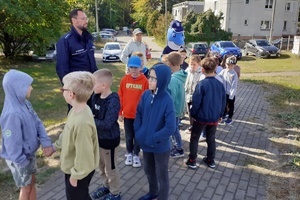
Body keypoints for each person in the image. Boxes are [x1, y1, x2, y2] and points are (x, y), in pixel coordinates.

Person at [0, 69, 54, 200]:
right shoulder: (12, 114)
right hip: (19, 160)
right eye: (28, 85)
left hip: (28, 155)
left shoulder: (25, 104)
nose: (32, 88)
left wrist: (45, 141)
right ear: (18, 88)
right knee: (26, 188)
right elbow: (11, 144)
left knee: (32, 182)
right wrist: (22, 162)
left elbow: (38, 122)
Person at [54, 71, 99, 200]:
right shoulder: (75, 110)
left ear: (71, 94)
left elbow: (84, 153)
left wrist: (76, 175)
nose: (62, 91)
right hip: (73, 168)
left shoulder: (82, 123)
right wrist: (57, 145)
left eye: (63, 88)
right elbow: (67, 132)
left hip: (79, 171)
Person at [134, 63, 176, 200]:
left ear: (162, 80)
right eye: (149, 77)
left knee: (162, 174)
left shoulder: (167, 100)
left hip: (160, 146)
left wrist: (154, 137)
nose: (149, 81)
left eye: (154, 78)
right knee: (148, 170)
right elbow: (139, 113)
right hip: (145, 143)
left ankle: (162, 197)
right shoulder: (146, 95)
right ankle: (153, 192)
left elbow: (171, 127)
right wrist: (139, 131)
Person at [186, 58, 226, 169]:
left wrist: (193, 114)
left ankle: (192, 160)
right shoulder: (220, 84)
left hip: (201, 117)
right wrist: (220, 115)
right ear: (215, 69)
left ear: (202, 70)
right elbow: (223, 101)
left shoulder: (201, 84)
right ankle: (210, 160)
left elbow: (196, 101)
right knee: (211, 138)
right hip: (214, 117)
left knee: (194, 138)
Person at [90, 69, 121, 200]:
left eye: (93, 83)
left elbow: (107, 124)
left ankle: (115, 193)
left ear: (104, 85)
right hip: (98, 140)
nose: (91, 86)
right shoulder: (95, 96)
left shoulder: (113, 100)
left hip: (109, 141)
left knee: (110, 169)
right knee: (101, 167)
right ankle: (106, 186)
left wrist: (91, 120)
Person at [118, 56, 149, 168]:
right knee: (129, 135)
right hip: (127, 114)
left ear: (140, 67)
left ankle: (136, 154)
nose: (134, 70)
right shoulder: (124, 80)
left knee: (138, 136)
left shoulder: (145, 81)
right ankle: (129, 153)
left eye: (136, 68)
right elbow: (120, 96)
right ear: (128, 68)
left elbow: (147, 98)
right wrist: (120, 112)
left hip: (139, 116)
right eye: (131, 67)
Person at [56, 9, 98, 82]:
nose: (86, 21)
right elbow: (62, 68)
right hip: (77, 86)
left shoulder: (88, 39)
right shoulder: (65, 41)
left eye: (86, 18)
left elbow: (93, 63)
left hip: (91, 85)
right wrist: (69, 87)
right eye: (83, 19)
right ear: (74, 21)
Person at [167, 52, 187, 158]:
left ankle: (178, 148)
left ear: (170, 63)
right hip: (178, 107)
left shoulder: (173, 80)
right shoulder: (180, 74)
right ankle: (177, 146)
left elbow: (171, 97)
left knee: (173, 130)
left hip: (173, 109)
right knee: (174, 129)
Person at [218, 56, 239, 125]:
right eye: (228, 65)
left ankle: (230, 118)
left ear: (234, 65)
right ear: (225, 64)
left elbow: (234, 86)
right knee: (223, 105)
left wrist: (231, 96)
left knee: (230, 106)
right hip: (224, 93)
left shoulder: (234, 74)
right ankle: (223, 115)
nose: (229, 66)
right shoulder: (224, 71)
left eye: (231, 65)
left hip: (230, 94)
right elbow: (218, 76)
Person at [184, 55, 202, 133]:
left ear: (199, 64)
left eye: (194, 64)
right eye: (191, 64)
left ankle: (198, 128)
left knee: (197, 113)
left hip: (196, 96)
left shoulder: (201, 72)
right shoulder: (187, 71)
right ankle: (192, 126)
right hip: (188, 95)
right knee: (190, 112)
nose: (192, 66)